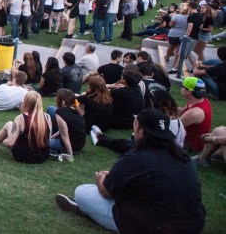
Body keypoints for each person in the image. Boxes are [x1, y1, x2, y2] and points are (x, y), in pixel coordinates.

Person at [56, 108, 206, 234]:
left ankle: (84, 207)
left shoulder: (137, 157)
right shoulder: (183, 158)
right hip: (193, 225)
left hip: (155, 226)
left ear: (141, 131)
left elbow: (106, 191)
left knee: (82, 192)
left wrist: (101, 177)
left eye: (135, 124)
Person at [0, 91, 50, 164]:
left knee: (9, 124)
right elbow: (48, 139)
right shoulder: (47, 117)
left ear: (26, 102)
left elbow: (10, 143)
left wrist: (4, 141)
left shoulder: (21, 118)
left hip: (23, 156)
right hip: (42, 156)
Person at [48, 89, 86, 159]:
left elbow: (65, 136)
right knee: (50, 108)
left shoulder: (60, 112)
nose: (55, 98)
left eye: (57, 96)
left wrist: (70, 155)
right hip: (80, 145)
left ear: (62, 101)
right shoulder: (77, 110)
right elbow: (65, 129)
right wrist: (51, 137)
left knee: (41, 142)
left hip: (69, 147)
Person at [177, 77, 212, 152]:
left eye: (182, 87)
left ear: (189, 92)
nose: (181, 88)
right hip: (195, 140)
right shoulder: (200, 100)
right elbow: (184, 112)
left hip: (191, 144)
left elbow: (174, 128)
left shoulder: (195, 112)